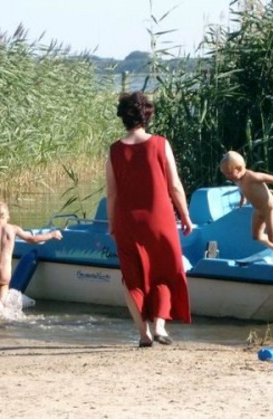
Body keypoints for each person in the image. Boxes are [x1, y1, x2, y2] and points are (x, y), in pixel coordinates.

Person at [105, 91, 193, 348]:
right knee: (166, 271)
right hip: (160, 219)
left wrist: (111, 223)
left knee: (132, 278)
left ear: (123, 116)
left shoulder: (114, 151)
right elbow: (175, 185)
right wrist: (185, 215)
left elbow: (112, 194)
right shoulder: (160, 144)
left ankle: (143, 334)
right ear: (147, 114)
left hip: (127, 222)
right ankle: (160, 326)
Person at [220, 151, 273, 266]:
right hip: (258, 211)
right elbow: (242, 189)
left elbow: (272, 179)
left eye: (228, 173)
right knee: (256, 236)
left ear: (238, 168)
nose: (227, 176)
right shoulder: (237, 180)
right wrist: (243, 200)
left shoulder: (252, 176)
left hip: (270, 209)